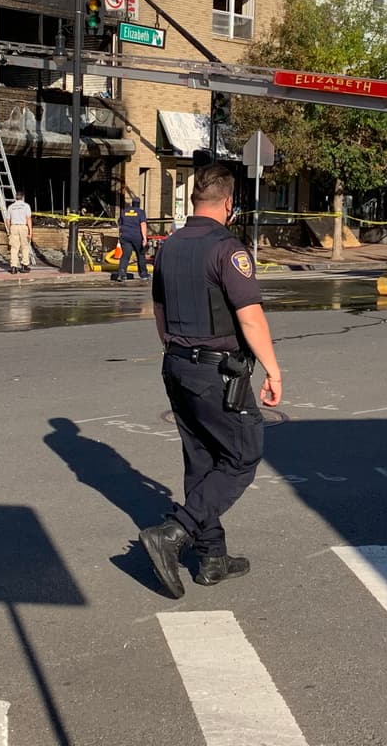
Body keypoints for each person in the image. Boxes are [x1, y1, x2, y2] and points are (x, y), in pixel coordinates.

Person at [139, 164, 282, 599]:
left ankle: (213, 558)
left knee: (201, 459)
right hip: (214, 369)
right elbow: (250, 316)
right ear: (228, 203)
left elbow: (160, 310)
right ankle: (175, 533)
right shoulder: (227, 249)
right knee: (243, 452)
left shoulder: (169, 246)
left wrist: (179, 352)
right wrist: (274, 369)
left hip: (177, 364)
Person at [114, 196, 149, 282]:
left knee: (125, 255)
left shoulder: (124, 211)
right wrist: (145, 238)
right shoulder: (141, 212)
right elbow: (143, 225)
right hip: (137, 236)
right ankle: (143, 274)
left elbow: (120, 224)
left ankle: (122, 274)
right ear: (139, 204)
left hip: (125, 236)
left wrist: (121, 234)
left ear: (132, 203)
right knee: (140, 255)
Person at [5, 194, 32, 274]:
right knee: (25, 247)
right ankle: (24, 265)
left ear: (15, 198)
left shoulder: (11, 207)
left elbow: (7, 220)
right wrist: (30, 231)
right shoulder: (26, 206)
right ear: (23, 198)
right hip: (23, 227)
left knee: (14, 248)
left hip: (14, 227)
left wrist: (9, 229)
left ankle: (14, 266)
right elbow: (28, 218)